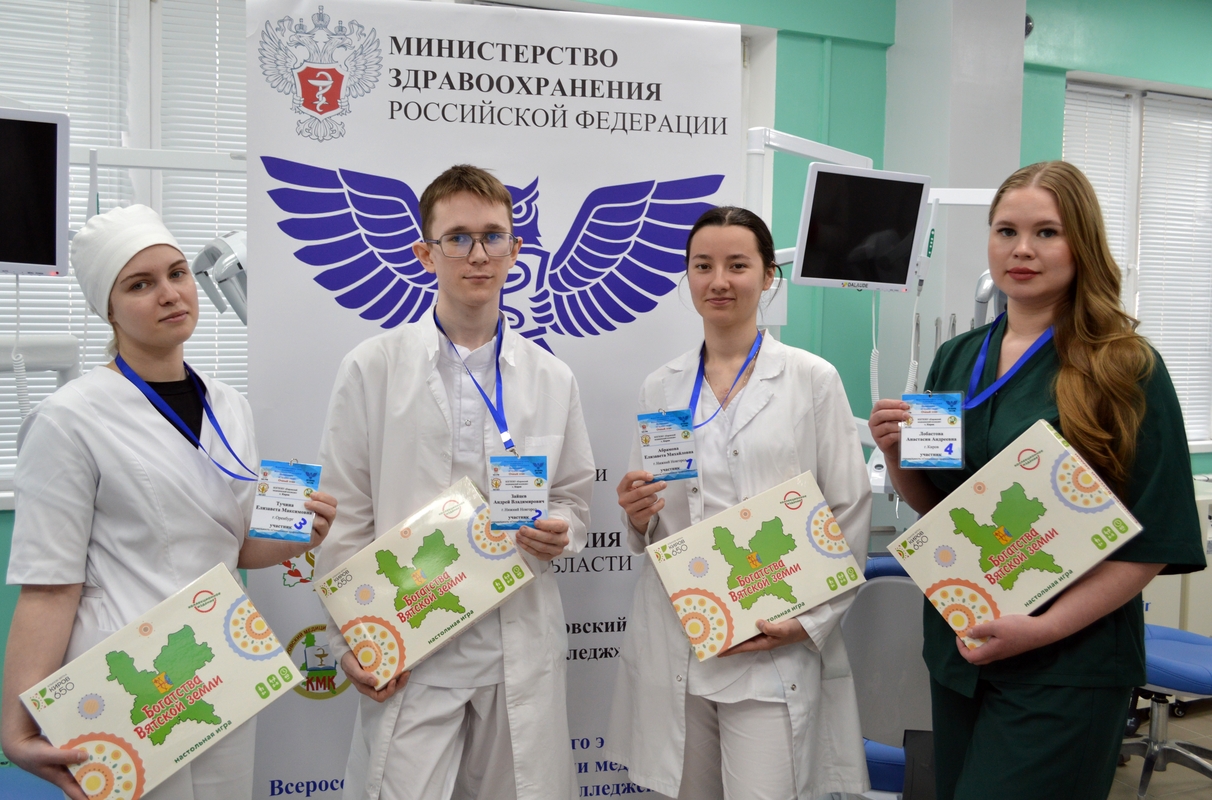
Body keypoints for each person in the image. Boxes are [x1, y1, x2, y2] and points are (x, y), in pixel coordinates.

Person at [868, 161, 1206, 800]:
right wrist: (897, 457)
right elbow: (942, 512)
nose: (1021, 249)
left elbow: (1154, 539)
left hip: (1066, 663)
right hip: (962, 648)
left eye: (1046, 232)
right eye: (1006, 231)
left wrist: (1044, 628)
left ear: (1082, 243)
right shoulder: (957, 357)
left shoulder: (1125, 367)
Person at [0, 204, 337, 800]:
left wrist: (296, 537)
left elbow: (233, 545)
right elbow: (49, 584)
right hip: (128, 681)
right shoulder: (69, 418)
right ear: (108, 308)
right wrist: (15, 726)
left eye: (178, 273)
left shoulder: (229, 405)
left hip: (218, 666)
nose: (169, 293)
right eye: (140, 284)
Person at [315, 164, 594, 800]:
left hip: (514, 639)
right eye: (458, 238)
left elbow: (573, 496)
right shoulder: (373, 368)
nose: (478, 254)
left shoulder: (552, 378)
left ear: (515, 250)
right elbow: (345, 515)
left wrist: (562, 528)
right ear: (425, 253)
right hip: (409, 640)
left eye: (493, 236)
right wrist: (348, 634)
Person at [606, 206, 872, 799]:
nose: (719, 281)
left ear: (769, 275)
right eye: (703, 266)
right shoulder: (662, 386)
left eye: (737, 265)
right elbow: (653, 515)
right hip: (682, 636)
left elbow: (849, 508)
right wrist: (636, 513)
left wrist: (808, 622)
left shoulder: (811, 379)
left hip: (770, 641)